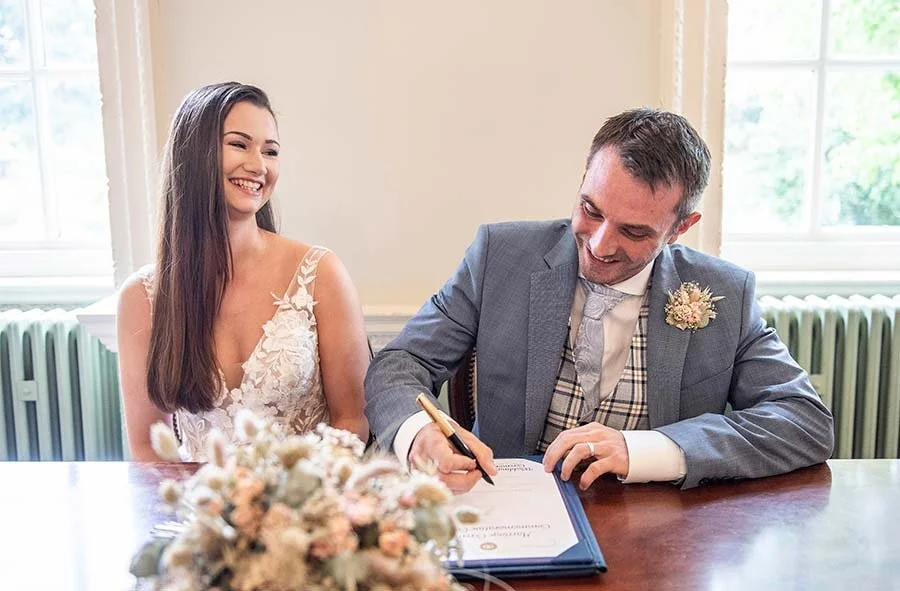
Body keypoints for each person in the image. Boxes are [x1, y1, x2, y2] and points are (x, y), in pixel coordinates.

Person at [365, 107, 834, 492]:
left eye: (633, 231)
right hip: (505, 513)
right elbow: (400, 363)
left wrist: (652, 450)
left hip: (659, 531)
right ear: (583, 179)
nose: (600, 245)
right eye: (591, 210)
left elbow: (804, 420)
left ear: (679, 229)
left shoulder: (726, 293)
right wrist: (418, 434)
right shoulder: (499, 256)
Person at [118, 82, 369, 461]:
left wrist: (300, 505)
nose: (259, 165)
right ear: (194, 154)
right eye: (239, 144)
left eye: (270, 151)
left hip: (308, 507)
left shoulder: (321, 273)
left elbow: (352, 421)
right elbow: (147, 446)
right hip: (201, 513)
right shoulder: (141, 297)